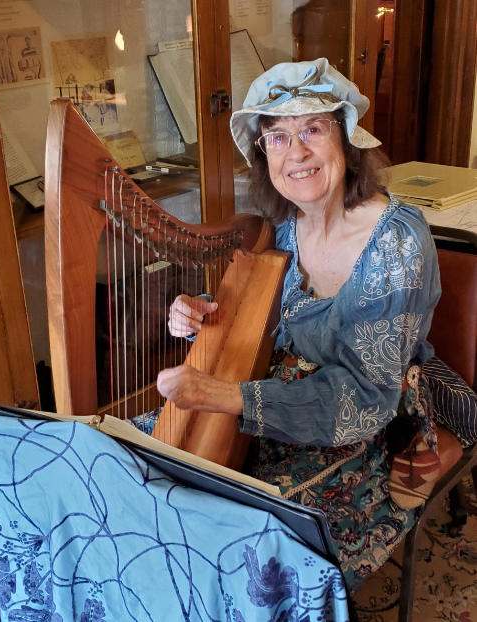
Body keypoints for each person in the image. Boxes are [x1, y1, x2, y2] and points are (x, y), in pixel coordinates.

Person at [157, 58, 441, 592]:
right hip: (272, 391)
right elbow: (260, 320)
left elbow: (365, 399)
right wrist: (197, 314)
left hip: (366, 428)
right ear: (263, 155)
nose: (297, 153)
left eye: (313, 129)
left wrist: (231, 398)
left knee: (238, 543)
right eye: (278, 138)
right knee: (141, 473)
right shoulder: (285, 227)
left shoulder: (396, 243)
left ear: (348, 139)